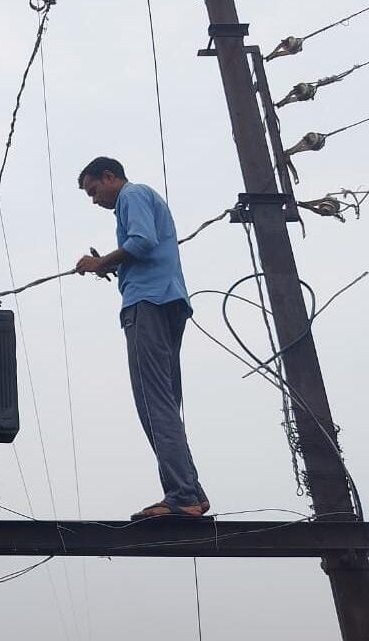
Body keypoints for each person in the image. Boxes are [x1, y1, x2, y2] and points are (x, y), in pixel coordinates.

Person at [74, 156, 209, 520]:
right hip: (169, 300)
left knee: (154, 403)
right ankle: (192, 491)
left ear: (108, 177)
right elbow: (144, 248)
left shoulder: (131, 196)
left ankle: (181, 495)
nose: (94, 199)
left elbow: (143, 241)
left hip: (146, 303)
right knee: (165, 400)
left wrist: (100, 264)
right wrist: (114, 264)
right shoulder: (142, 198)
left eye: (94, 190)